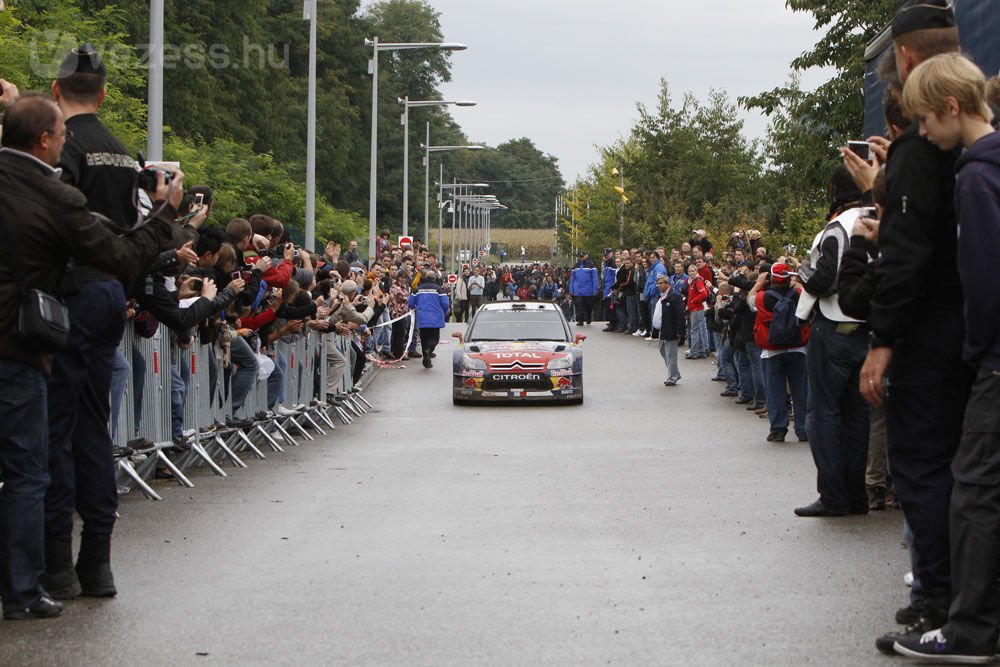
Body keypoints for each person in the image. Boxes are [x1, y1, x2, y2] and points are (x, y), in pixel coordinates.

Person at [0, 92, 182, 619]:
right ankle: (51, 573)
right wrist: (166, 213)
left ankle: (54, 567)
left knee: (51, 445)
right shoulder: (55, 190)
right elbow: (119, 253)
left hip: (56, 319)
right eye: (58, 139)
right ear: (44, 139)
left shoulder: (55, 173)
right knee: (49, 451)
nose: (63, 145)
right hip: (39, 330)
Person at [857, 2, 975, 654]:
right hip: (970, 332)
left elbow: (906, 257)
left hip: (929, 337)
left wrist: (882, 340)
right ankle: (959, 595)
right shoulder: (974, 146)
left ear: (904, 58)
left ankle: (939, 598)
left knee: (925, 471)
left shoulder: (917, 153)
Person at [890, 51, 1000, 663]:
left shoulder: (976, 175)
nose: (924, 134)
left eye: (926, 121)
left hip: (994, 357)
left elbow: (983, 278)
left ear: (952, 108)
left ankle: (972, 629)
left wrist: (978, 350)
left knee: (975, 490)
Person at [793, 166, 870, 518]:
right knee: (858, 416)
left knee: (822, 414)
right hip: (869, 329)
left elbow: (825, 278)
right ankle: (857, 496)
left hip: (835, 325)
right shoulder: (877, 217)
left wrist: (802, 272)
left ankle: (834, 497)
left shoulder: (838, 226)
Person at [750, 263, 809, 443]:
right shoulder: (799, 295)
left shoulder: (762, 298)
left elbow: (749, 300)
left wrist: (759, 283)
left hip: (772, 349)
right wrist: (799, 281)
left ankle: (778, 429)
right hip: (798, 347)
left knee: (775, 391)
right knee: (801, 390)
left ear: (772, 278)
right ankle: (803, 429)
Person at [408, 270, 450, 368]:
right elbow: (445, 304)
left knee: (423, 337)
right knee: (434, 337)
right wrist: (444, 312)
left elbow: (410, 303)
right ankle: (429, 350)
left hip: (422, 317)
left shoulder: (417, 290)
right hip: (435, 318)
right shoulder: (439, 290)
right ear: (435, 278)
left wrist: (416, 307)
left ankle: (426, 358)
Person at [653, 275, 685, 386]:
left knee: (671, 355)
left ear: (667, 284)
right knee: (662, 350)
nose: (659, 285)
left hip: (671, 329)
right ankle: (675, 373)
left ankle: (672, 377)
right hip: (663, 329)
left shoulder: (674, 296)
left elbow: (680, 314)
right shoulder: (661, 296)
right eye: (658, 283)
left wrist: (679, 331)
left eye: (661, 283)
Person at [568, 251, 598, 326]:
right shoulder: (576, 266)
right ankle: (580, 321)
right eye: (580, 256)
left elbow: (595, 278)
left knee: (588, 305)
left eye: (583, 256)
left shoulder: (591, 265)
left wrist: (595, 289)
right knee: (579, 306)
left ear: (586, 256)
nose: (581, 257)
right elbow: (573, 279)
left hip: (588, 290)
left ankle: (588, 317)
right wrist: (571, 289)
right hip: (578, 290)